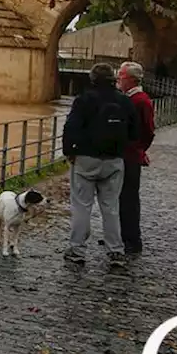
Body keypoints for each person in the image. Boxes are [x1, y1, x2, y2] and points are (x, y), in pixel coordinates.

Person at [62, 63, 140, 268]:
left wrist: (69, 152)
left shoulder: (84, 100)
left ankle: (77, 249)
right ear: (113, 79)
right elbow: (134, 131)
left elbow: (71, 127)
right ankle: (115, 251)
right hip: (114, 160)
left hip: (86, 159)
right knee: (111, 207)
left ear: (92, 79)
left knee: (81, 206)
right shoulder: (124, 101)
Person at [117, 61, 155, 254]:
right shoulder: (129, 98)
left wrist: (139, 150)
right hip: (124, 155)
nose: (118, 79)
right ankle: (120, 236)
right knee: (119, 197)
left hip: (130, 156)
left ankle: (132, 239)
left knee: (129, 199)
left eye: (121, 76)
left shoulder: (140, 100)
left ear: (131, 79)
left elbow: (148, 130)